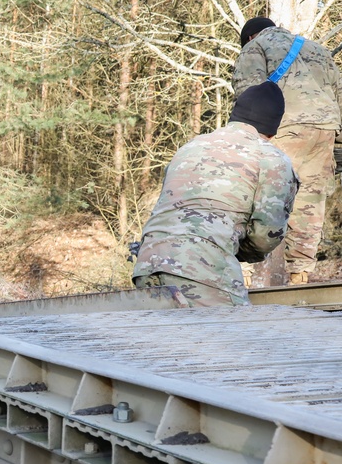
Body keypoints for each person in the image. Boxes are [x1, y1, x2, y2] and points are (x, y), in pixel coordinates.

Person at [132, 82, 299, 307]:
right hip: (202, 268)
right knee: (240, 336)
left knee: (169, 339)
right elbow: (266, 235)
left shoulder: (191, 147)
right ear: (272, 129)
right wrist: (237, 251)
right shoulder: (271, 158)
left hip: (148, 264)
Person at [232, 16, 342, 285]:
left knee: (258, 194)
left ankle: (241, 272)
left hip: (282, 126)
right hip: (324, 128)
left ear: (249, 37)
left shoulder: (255, 46)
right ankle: (300, 273)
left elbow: (248, 93)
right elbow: (339, 93)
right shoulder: (317, 48)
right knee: (310, 203)